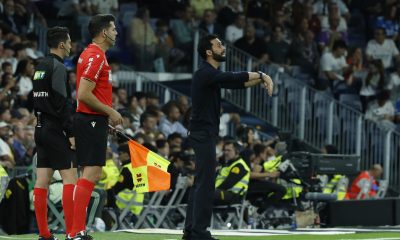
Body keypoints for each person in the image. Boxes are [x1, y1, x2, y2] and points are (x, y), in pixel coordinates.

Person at [183, 34, 273, 240]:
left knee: (200, 183)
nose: (223, 47)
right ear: (209, 52)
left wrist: (258, 80)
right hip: (203, 133)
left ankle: (190, 231)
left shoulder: (210, 75)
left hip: (203, 133)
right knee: (205, 185)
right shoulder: (205, 73)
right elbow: (234, 77)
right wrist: (261, 74)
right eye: (218, 45)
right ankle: (199, 233)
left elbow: (237, 84)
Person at [70, 14, 123, 240]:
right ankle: (75, 230)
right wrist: (110, 112)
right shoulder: (96, 56)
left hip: (93, 119)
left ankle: (77, 229)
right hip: (90, 119)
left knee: (93, 173)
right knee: (91, 173)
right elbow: (83, 94)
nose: (116, 32)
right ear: (104, 33)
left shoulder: (92, 54)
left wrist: (104, 118)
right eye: (113, 29)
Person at [32, 26, 77, 240]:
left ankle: (44, 235)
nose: (71, 46)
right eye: (69, 42)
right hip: (54, 129)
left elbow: (38, 100)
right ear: (61, 44)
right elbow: (62, 101)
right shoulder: (58, 67)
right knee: (70, 179)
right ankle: (72, 233)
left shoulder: (39, 66)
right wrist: (70, 131)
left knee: (42, 182)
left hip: (39, 128)